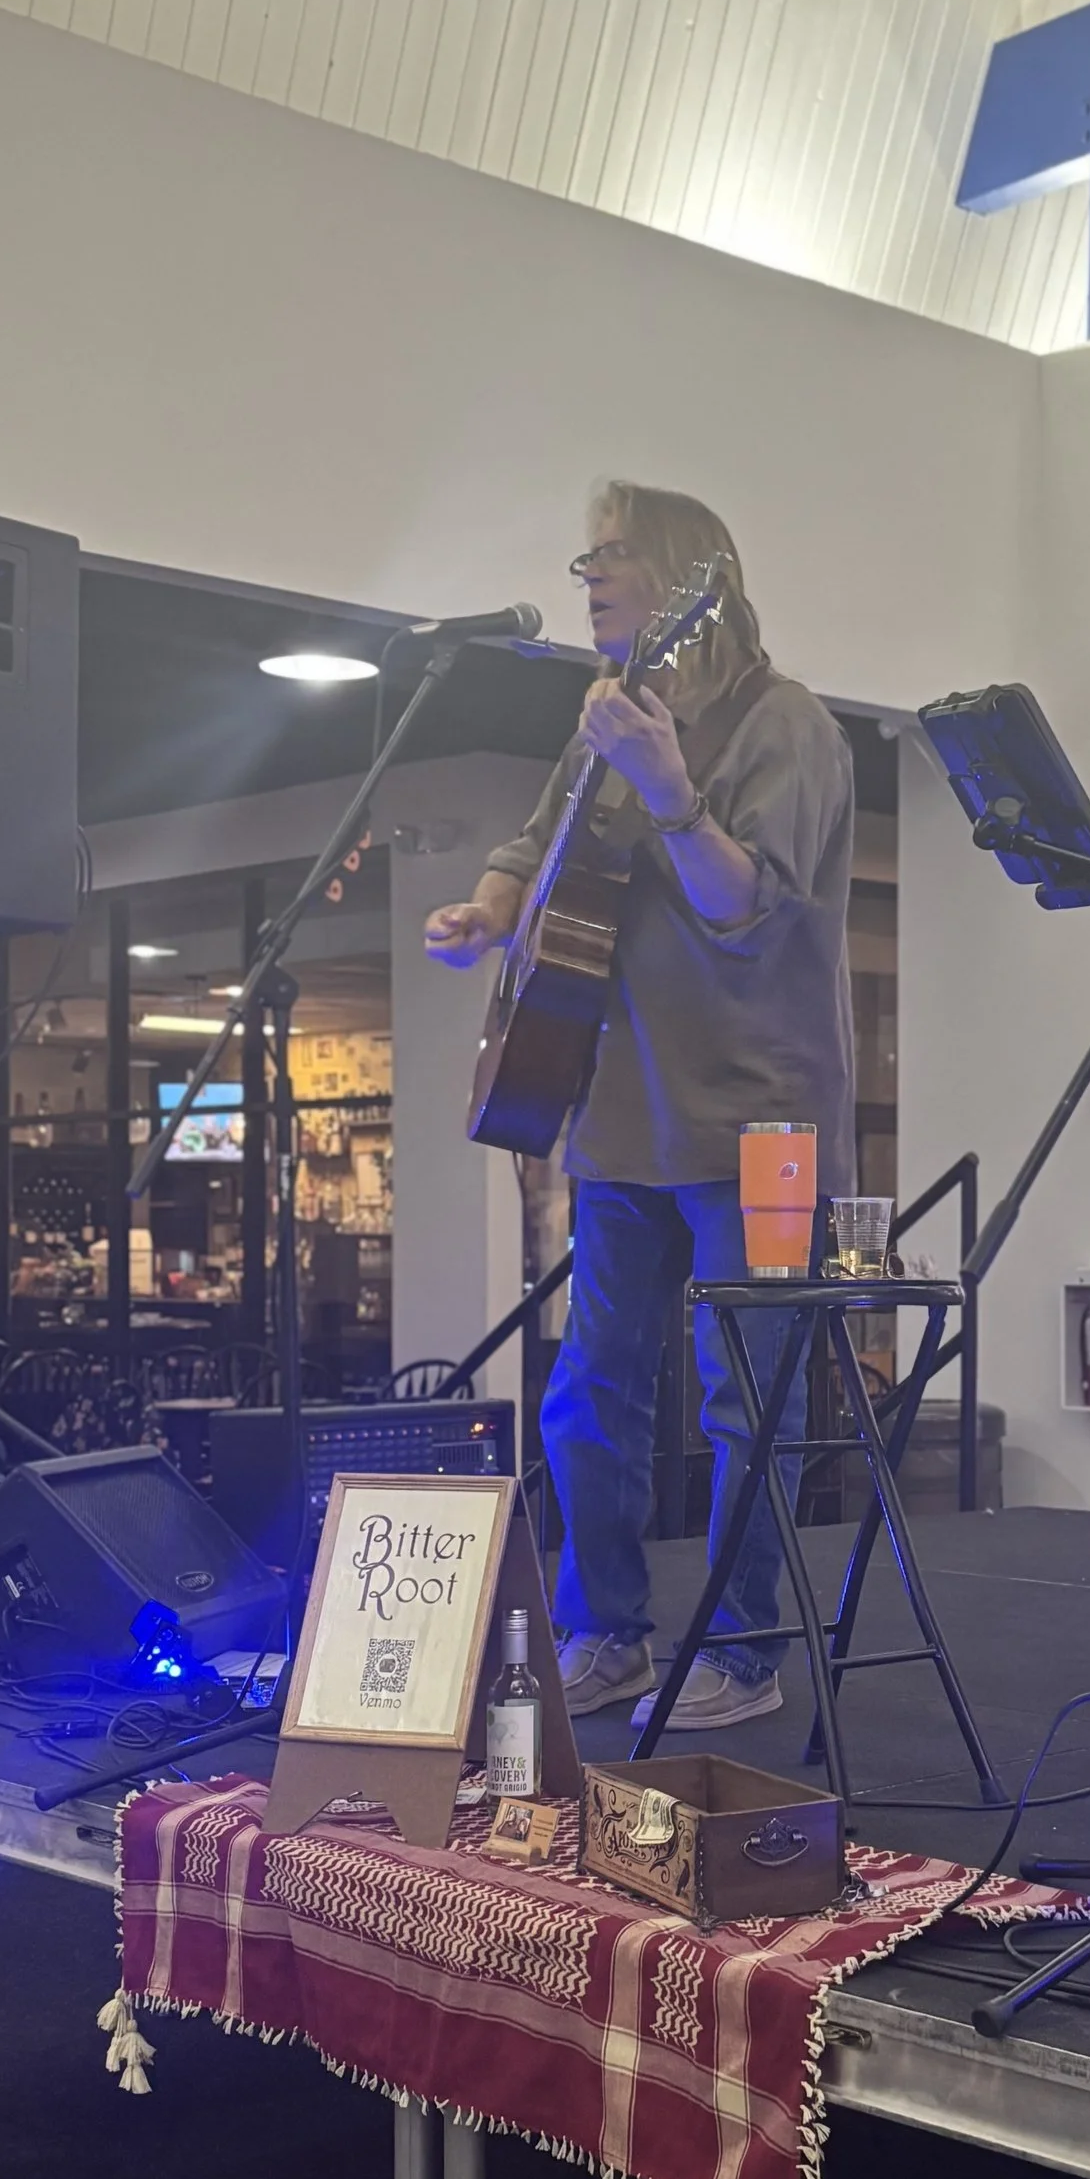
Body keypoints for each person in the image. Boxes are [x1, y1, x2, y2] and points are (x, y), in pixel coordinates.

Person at [425, 483, 854, 1733]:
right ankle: (602, 1628)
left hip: (759, 1127)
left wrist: (669, 787)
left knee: (745, 1398)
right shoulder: (609, 713)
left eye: (611, 555)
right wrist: (487, 913)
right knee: (587, 1394)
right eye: (589, 556)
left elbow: (740, 908)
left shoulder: (789, 728)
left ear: (683, 576)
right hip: (617, 1115)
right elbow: (532, 842)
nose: (590, 575)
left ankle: (744, 1646)